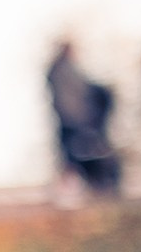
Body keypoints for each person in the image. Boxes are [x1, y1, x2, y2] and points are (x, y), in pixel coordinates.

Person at [48, 41, 121, 195]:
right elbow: (70, 98)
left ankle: (82, 189)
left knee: (78, 156)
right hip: (73, 120)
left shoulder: (63, 69)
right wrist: (83, 115)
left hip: (76, 120)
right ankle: (70, 191)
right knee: (72, 157)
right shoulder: (63, 70)